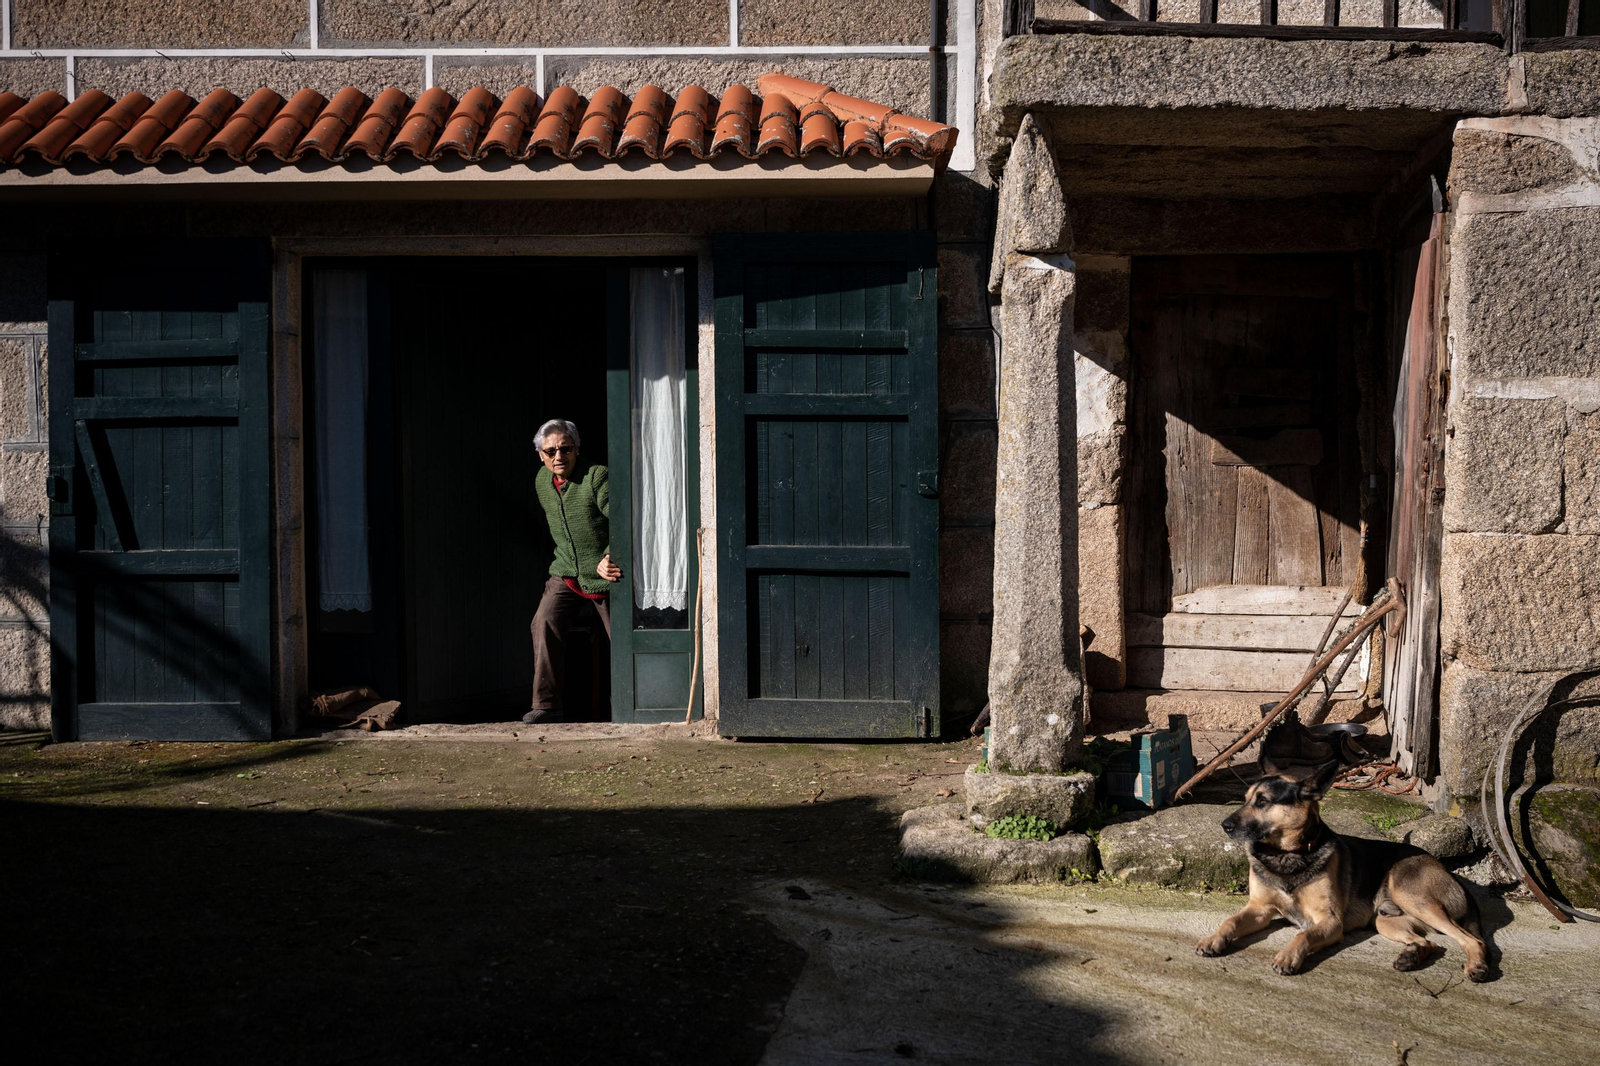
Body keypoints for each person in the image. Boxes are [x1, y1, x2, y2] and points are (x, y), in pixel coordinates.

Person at [524, 419, 622, 724]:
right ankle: (548, 704)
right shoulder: (542, 481)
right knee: (543, 622)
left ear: (576, 449)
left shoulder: (596, 477)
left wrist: (610, 555)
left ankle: (636, 704)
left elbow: (625, 520)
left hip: (606, 574)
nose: (558, 456)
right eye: (550, 450)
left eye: (565, 449)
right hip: (566, 570)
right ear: (541, 454)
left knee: (621, 637)